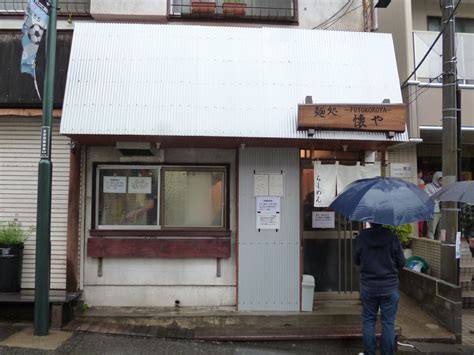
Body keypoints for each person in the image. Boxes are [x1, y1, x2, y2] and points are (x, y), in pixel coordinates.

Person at [354, 223, 406, 355]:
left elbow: (356, 259)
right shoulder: (392, 237)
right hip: (389, 286)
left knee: (368, 320)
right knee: (388, 323)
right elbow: (402, 262)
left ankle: (369, 352)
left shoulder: (362, 237)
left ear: (370, 221)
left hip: (368, 286)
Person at [424, 171, 443, 240]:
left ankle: (440, 245)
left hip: (442, 211)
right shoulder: (428, 186)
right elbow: (426, 198)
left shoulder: (443, 187)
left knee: (441, 230)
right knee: (431, 230)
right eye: (440, 179)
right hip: (433, 211)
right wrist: (436, 196)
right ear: (436, 179)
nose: (442, 181)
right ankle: (431, 246)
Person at [417, 170, 426, 238]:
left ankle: (419, 234)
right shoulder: (421, 182)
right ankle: (420, 234)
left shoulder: (419, 181)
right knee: (420, 221)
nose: (421, 174)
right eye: (420, 173)